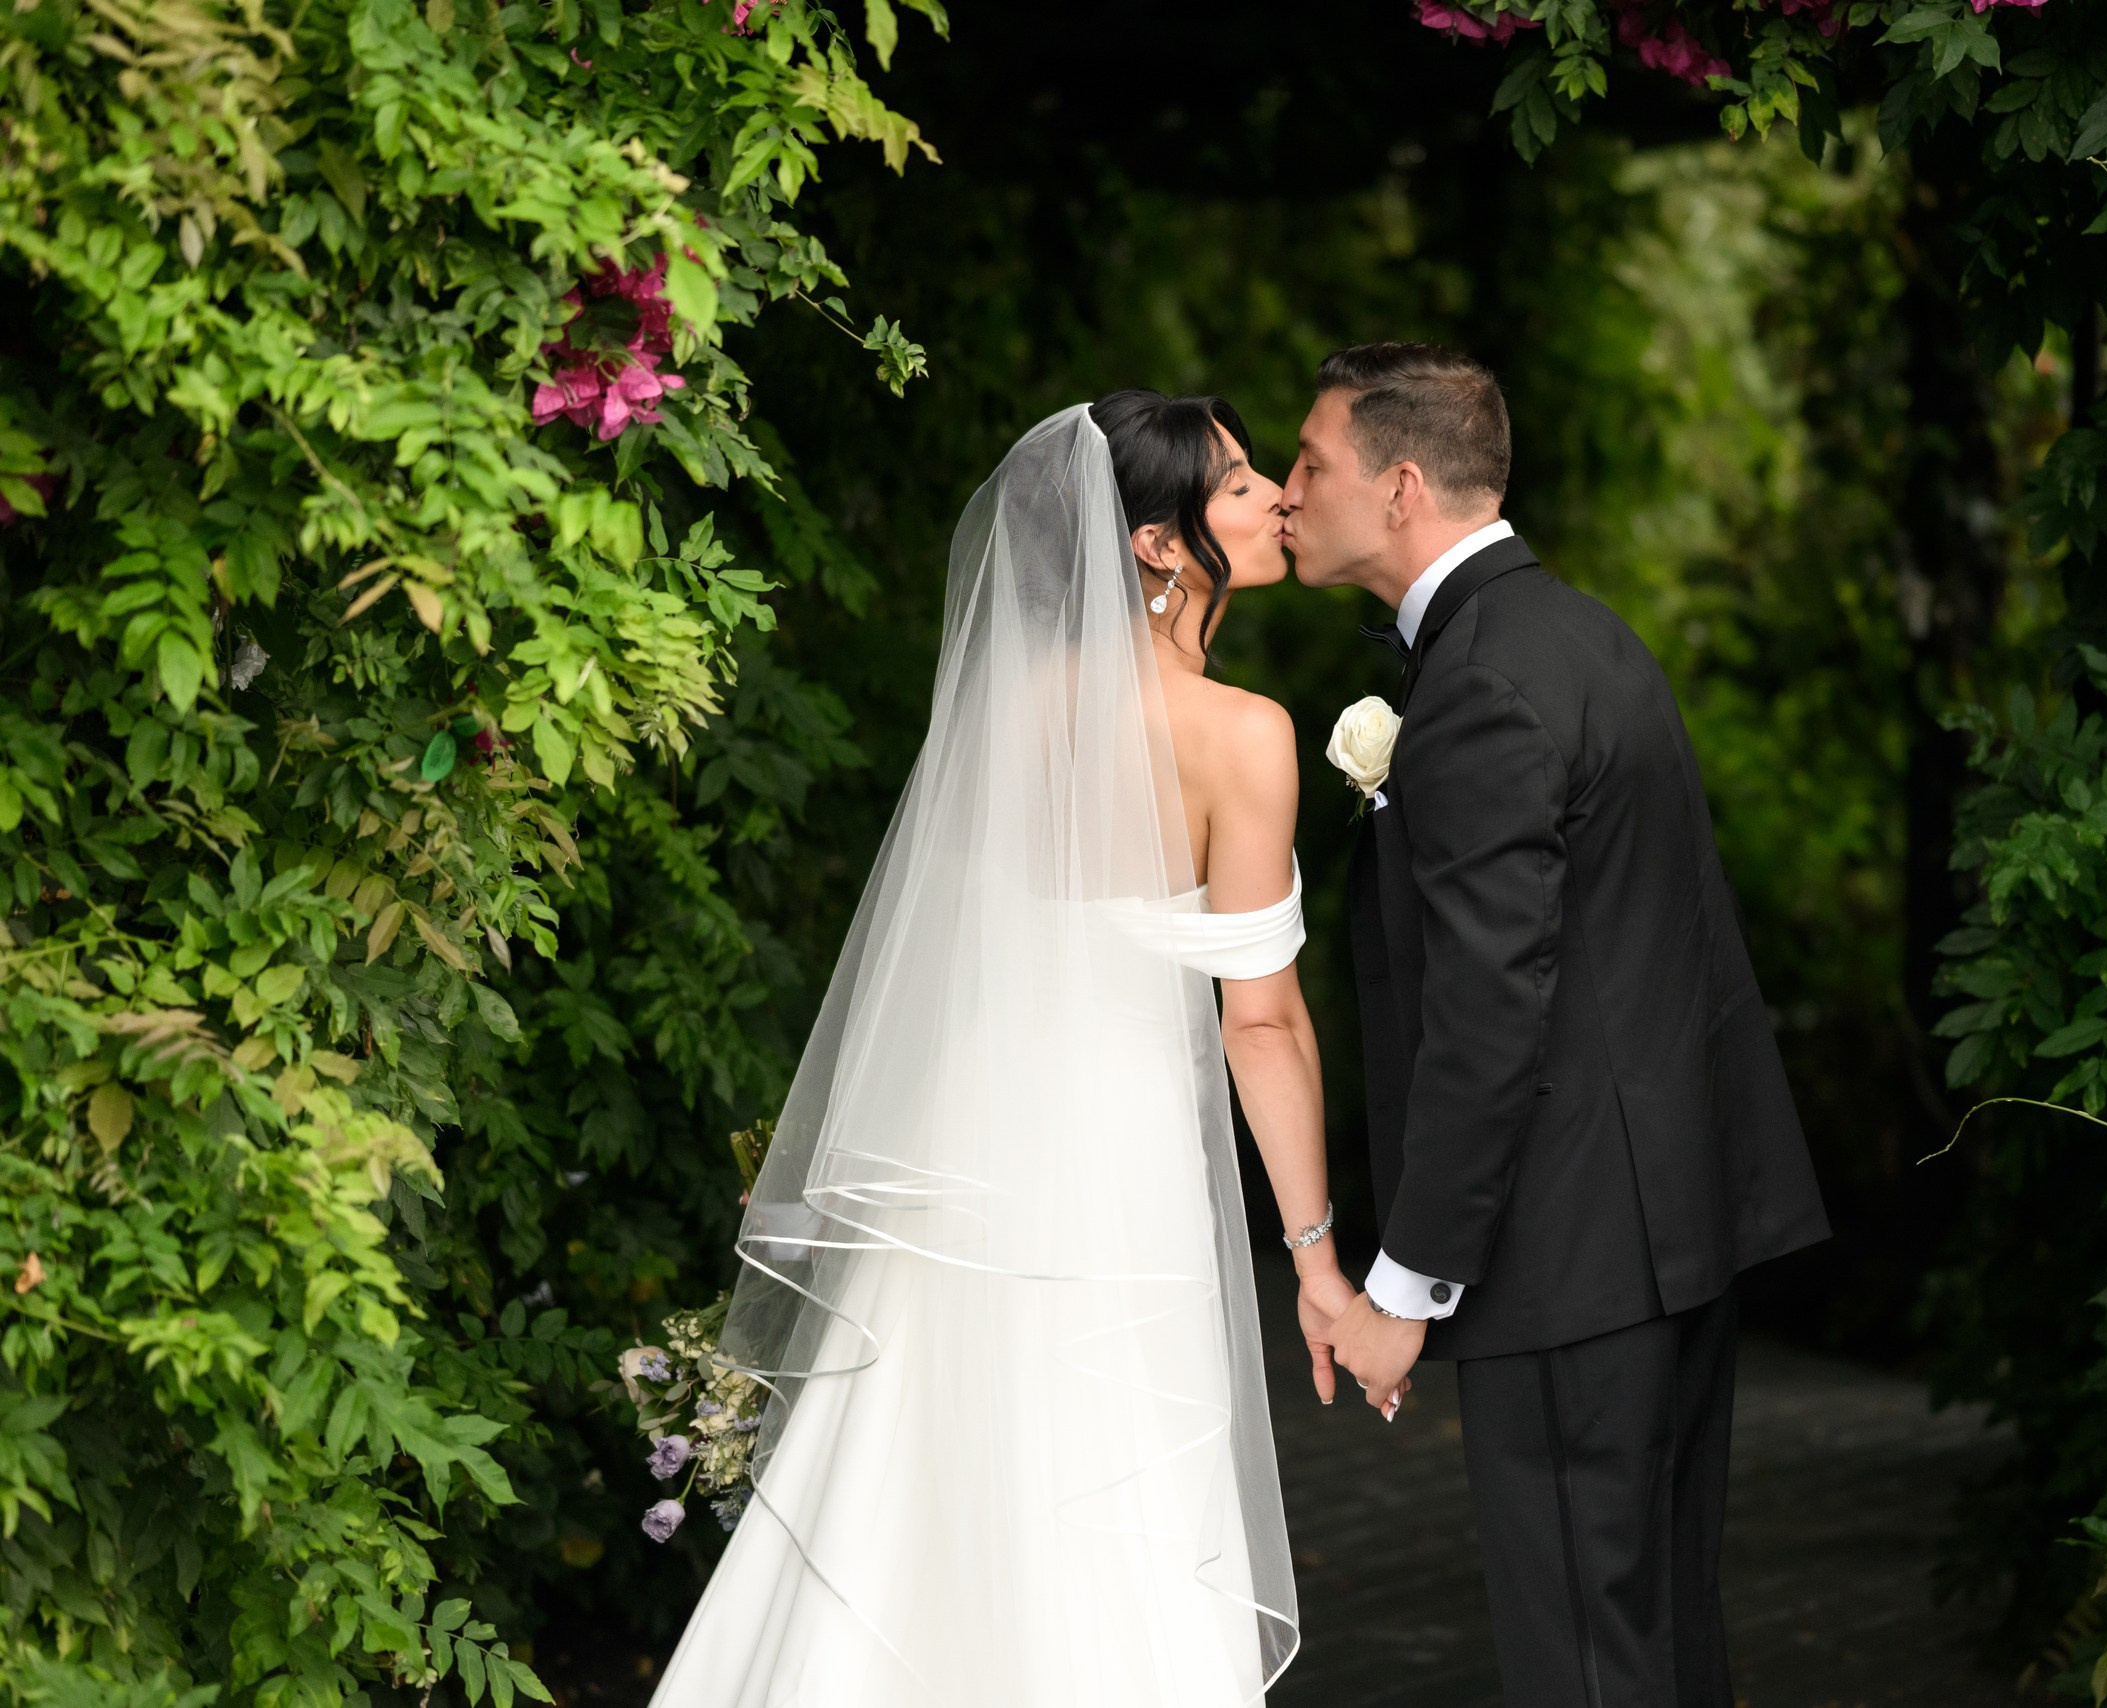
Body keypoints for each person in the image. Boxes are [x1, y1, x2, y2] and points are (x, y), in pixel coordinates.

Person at [650, 396, 1356, 1707]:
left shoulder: (1004, 709)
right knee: (1105, 1459)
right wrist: (1315, 1260)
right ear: (1155, 544)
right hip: (1120, 1150)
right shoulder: (1241, 736)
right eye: (1242, 482)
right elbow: (1258, 1018)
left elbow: (958, 964)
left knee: (923, 1461)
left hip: (969, 1142)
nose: (1273, 498)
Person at [1285, 342, 1832, 1707]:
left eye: (1309, 463)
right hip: (1664, 1239)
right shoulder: (1581, 634)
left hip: (1569, 1260)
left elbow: (1489, 1010)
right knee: (1653, 1643)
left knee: (1587, 1662)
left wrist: (1406, 1288)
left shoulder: (1480, 684)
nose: (1288, 493)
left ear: (1401, 485)